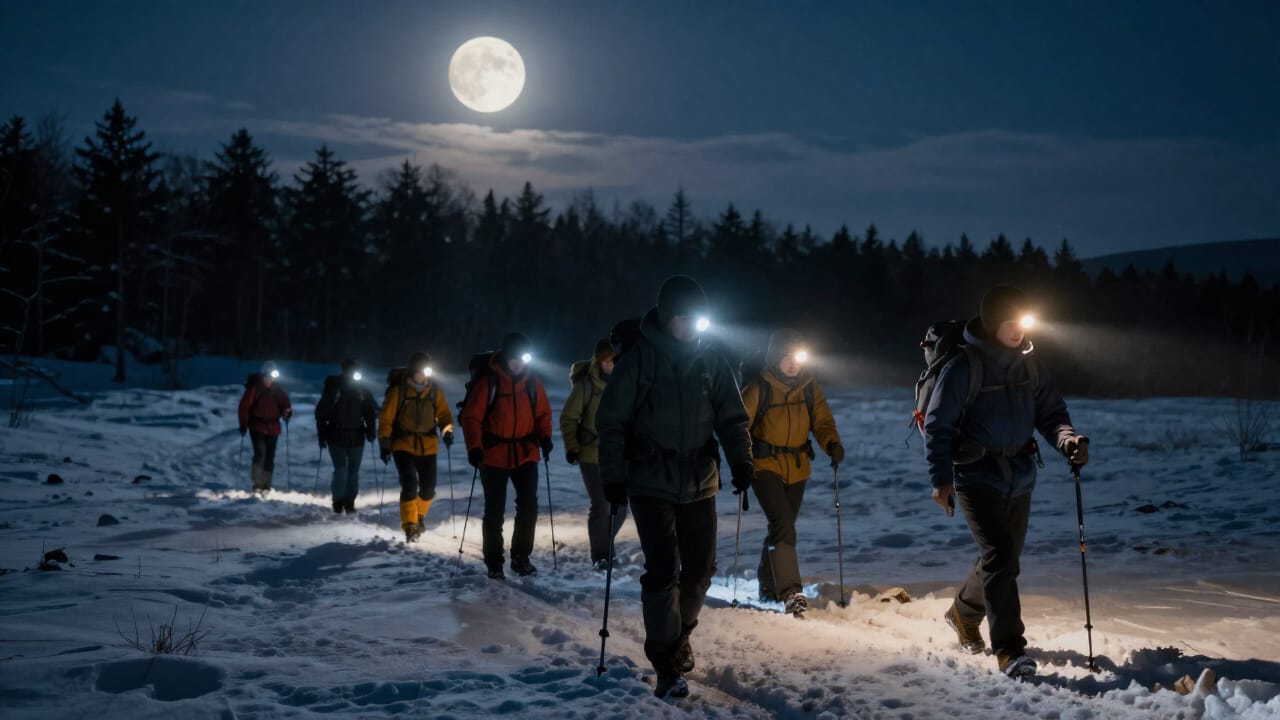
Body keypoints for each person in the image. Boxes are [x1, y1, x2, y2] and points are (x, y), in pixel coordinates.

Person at [596, 275, 754, 700]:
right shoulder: (640, 360)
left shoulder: (711, 361)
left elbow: (732, 418)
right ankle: (666, 662)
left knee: (700, 570)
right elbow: (611, 423)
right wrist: (612, 477)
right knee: (664, 570)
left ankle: (680, 635)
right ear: (667, 318)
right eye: (683, 318)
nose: (690, 326)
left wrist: (741, 460)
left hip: (700, 480)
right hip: (650, 481)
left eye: (696, 318)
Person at [923, 285, 1089, 679]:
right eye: (1010, 322)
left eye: (1023, 321)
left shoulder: (1030, 365)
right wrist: (941, 480)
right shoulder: (963, 367)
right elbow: (937, 425)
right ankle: (1010, 650)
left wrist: (1067, 440)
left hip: (1019, 474)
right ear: (994, 323)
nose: (1018, 330)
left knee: (1003, 559)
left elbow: (1052, 413)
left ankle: (963, 614)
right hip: (974, 476)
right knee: (1000, 556)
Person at [741, 329, 843, 617]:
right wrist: (742, 460)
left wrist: (831, 443)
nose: (793, 363)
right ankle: (790, 592)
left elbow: (822, 421)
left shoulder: (809, 388)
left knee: (781, 527)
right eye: (787, 357)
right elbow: (738, 426)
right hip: (764, 468)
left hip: (798, 468)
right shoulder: (758, 388)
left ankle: (767, 584)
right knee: (783, 523)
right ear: (776, 358)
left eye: (797, 357)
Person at [459, 333, 553, 579]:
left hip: (525, 453)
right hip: (493, 456)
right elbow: (471, 417)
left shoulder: (532, 383)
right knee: (494, 511)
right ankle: (494, 562)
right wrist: (475, 448)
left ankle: (521, 557)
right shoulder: (488, 382)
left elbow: (543, 413)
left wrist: (545, 438)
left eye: (522, 358)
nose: (518, 363)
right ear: (506, 357)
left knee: (528, 508)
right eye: (515, 358)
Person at [560, 338, 626, 571]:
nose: (613, 364)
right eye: (609, 360)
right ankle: (600, 555)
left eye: (615, 360)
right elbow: (568, 417)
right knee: (601, 505)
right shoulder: (586, 386)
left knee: (621, 506)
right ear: (600, 361)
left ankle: (605, 545)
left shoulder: (623, 385)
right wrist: (572, 447)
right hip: (591, 454)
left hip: (618, 456)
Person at [379, 352, 454, 543]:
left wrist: (447, 431)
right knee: (410, 484)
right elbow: (386, 419)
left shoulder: (434, 392)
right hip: (402, 444)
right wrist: (385, 445)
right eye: (418, 371)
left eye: (425, 371)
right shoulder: (399, 391)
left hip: (428, 445)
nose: (421, 375)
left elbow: (444, 416)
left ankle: (419, 515)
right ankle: (410, 525)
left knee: (428, 487)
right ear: (412, 371)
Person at [316, 359, 377, 514]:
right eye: (349, 370)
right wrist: (322, 434)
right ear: (343, 371)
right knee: (341, 470)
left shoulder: (361, 390)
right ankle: (338, 501)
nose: (351, 374)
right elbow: (322, 412)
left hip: (357, 436)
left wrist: (371, 430)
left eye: (354, 370)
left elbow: (370, 410)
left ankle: (349, 501)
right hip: (336, 436)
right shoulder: (334, 388)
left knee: (353, 471)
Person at [238, 360, 293, 496]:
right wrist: (243, 424)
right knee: (260, 454)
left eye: (272, 377)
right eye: (267, 376)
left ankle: (266, 486)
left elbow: (285, 404)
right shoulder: (254, 389)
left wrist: (287, 412)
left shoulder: (277, 390)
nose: (269, 379)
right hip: (257, 426)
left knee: (270, 457)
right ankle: (257, 484)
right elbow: (244, 406)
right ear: (263, 376)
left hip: (273, 428)